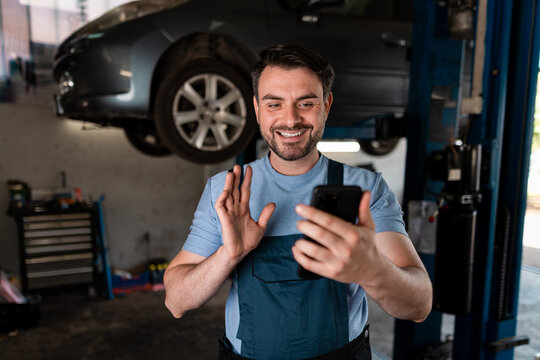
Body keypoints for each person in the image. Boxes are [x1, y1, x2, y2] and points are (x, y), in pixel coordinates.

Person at [164, 43, 432, 360]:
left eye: (305, 103)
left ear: (326, 105)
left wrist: (371, 269)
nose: (290, 120)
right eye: (274, 104)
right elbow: (176, 301)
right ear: (257, 108)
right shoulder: (227, 191)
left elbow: (419, 305)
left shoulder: (365, 189)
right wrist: (229, 254)